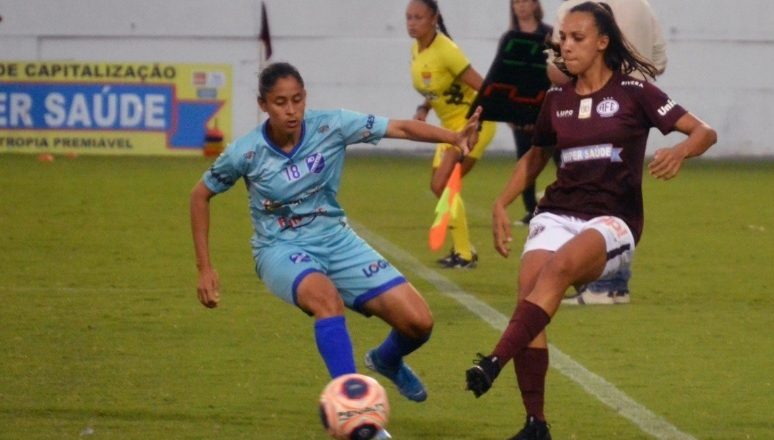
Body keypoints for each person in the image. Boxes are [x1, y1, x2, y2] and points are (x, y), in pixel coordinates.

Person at [463, 3, 716, 438]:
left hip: (613, 220)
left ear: (603, 43)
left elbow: (703, 131)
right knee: (530, 292)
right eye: (564, 37)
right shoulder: (557, 100)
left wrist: (678, 151)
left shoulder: (636, 93)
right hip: (559, 211)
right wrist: (501, 203)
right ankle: (535, 424)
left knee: (558, 268)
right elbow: (537, 155)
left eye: (577, 38)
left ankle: (493, 361)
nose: (566, 45)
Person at [190, 62, 480, 439]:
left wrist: (454, 137)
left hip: (336, 239)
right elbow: (200, 195)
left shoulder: (332, 125)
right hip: (280, 249)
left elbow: (401, 127)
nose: (291, 110)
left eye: (297, 100)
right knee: (326, 299)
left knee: (419, 323)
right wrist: (205, 268)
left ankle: (386, 359)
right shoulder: (245, 153)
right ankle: (356, 415)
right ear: (263, 105)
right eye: (280, 102)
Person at [547, 0, 668, 305]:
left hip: (596, 105)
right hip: (635, 112)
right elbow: (659, 62)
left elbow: (556, 69)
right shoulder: (644, 7)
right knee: (622, 192)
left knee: (590, 191)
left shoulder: (574, 11)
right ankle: (616, 283)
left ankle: (597, 282)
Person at [406, 0, 498, 268]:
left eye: (418, 17)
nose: (412, 23)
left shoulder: (446, 50)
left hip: (469, 125)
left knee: (443, 184)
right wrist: (423, 108)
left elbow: (484, 87)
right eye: (409, 17)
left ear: (433, 18)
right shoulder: (417, 49)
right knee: (441, 186)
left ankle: (465, 253)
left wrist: (475, 126)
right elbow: (435, 89)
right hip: (448, 129)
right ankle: (464, 251)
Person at [504, 0, 554, 225]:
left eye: (525, 1)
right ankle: (530, 209)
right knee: (525, 159)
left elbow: (556, 72)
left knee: (561, 158)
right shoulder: (510, 37)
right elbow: (503, 74)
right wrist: (509, 112)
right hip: (519, 109)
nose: (521, 6)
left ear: (535, 5)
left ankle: (569, 203)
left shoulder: (549, 34)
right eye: (516, 2)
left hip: (546, 106)